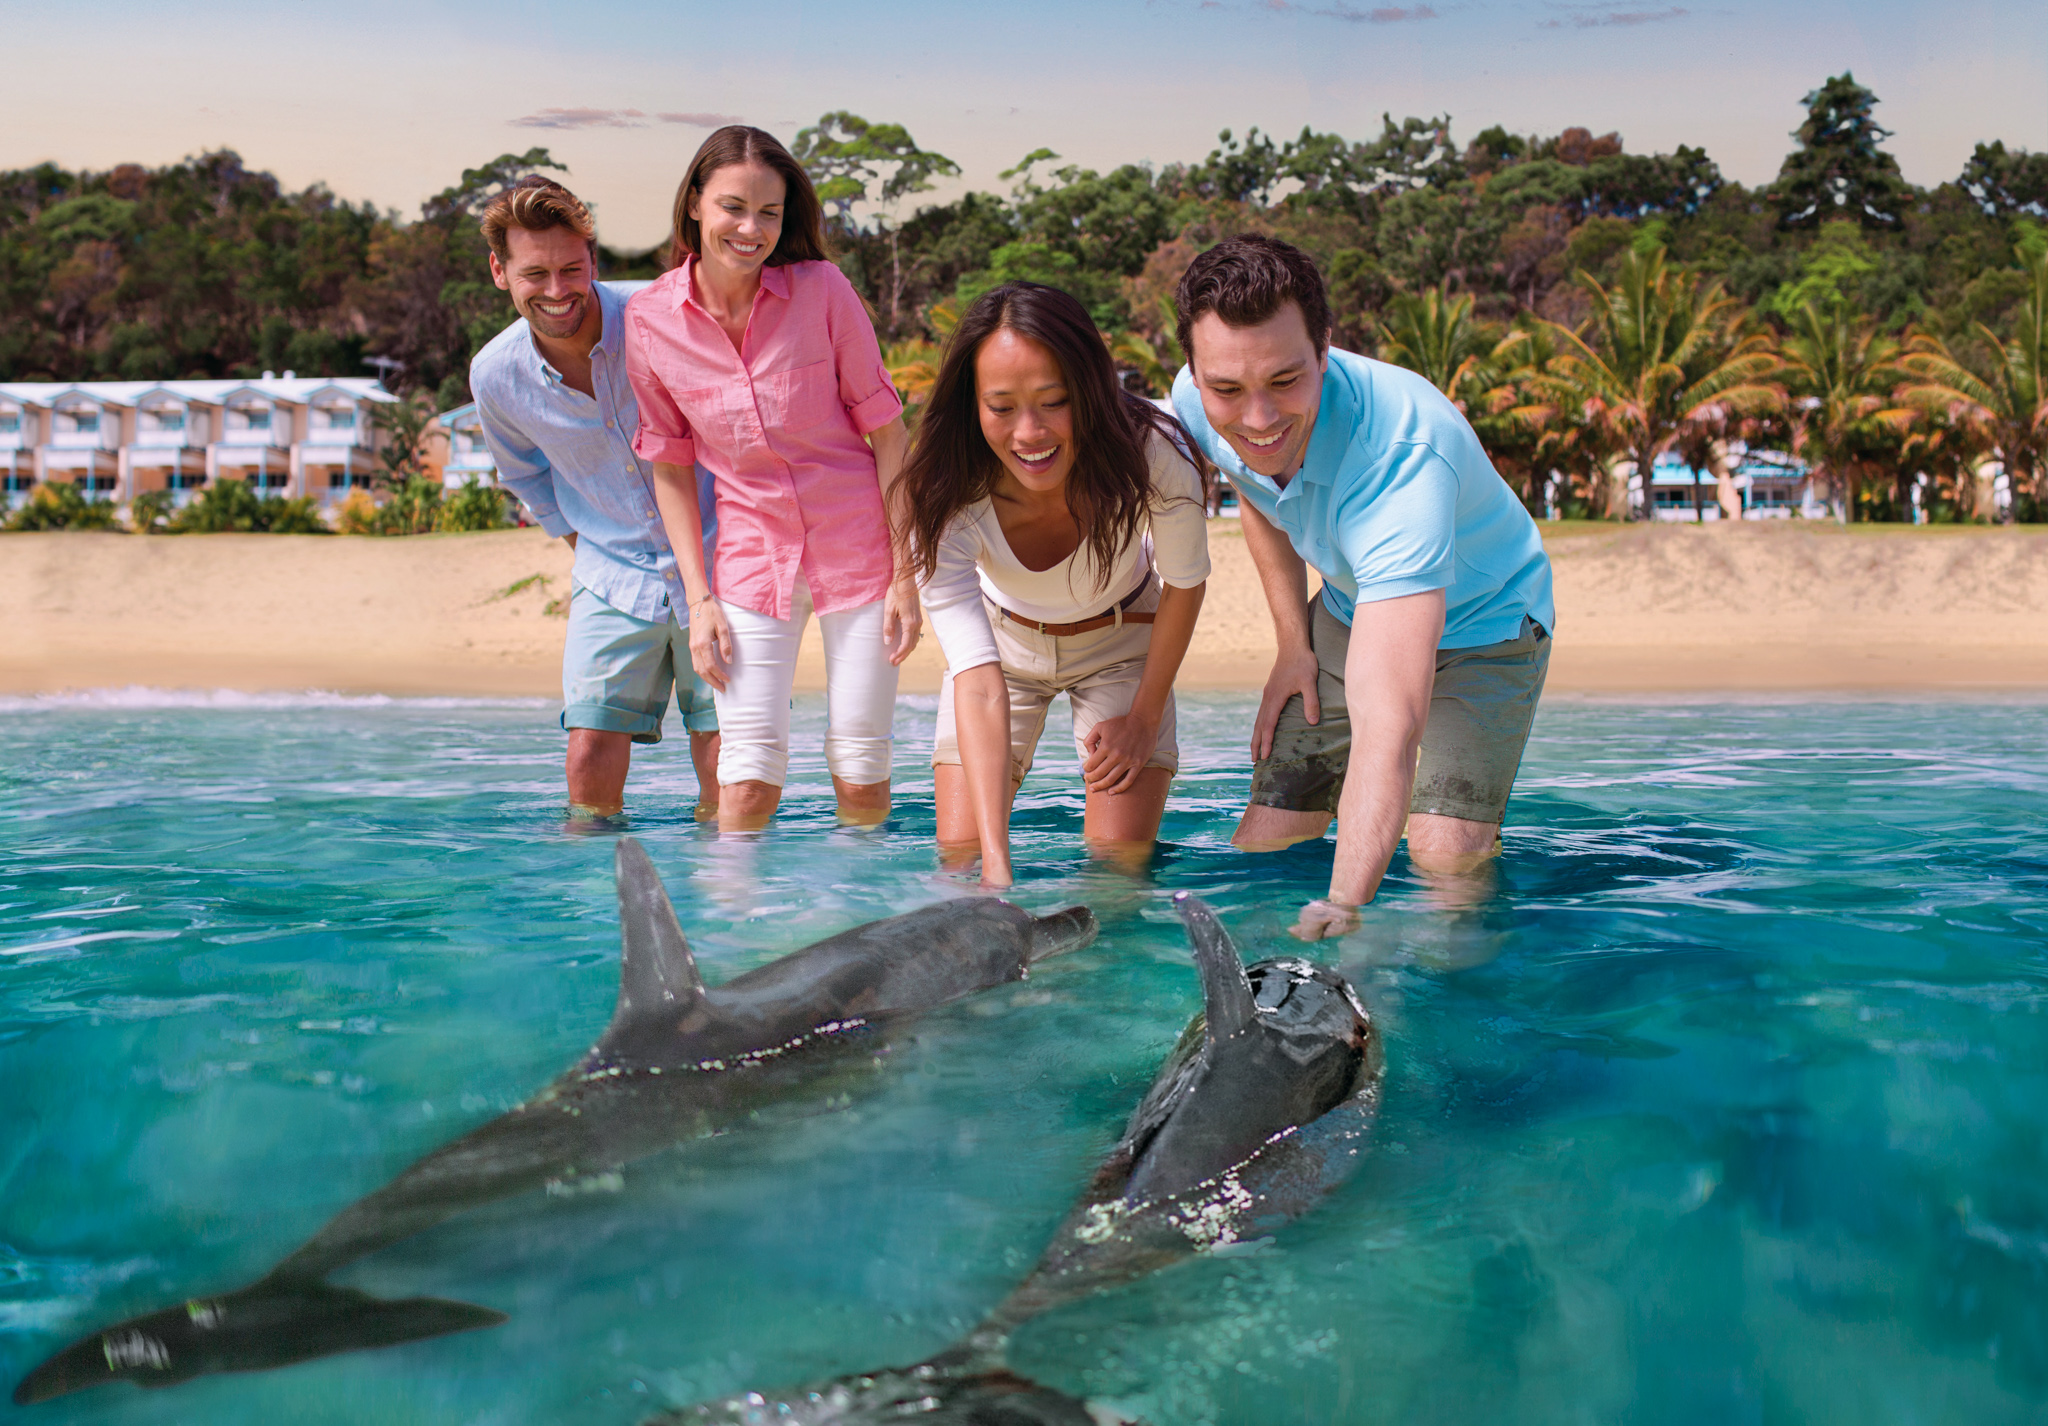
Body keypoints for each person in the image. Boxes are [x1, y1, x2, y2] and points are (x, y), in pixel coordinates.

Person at [1170, 235, 1555, 940]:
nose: (1257, 419)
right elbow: (1257, 496)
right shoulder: (1194, 401)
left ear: (1325, 354)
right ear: (1196, 373)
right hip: (1350, 610)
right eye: (1227, 388)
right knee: (1265, 836)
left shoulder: (1402, 457)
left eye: (1286, 382)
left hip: (1488, 629)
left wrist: (1344, 905)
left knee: (1443, 868)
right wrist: (1293, 644)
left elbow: (1390, 729)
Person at [623, 126, 919, 833]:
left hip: (860, 551)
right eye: (733, 207)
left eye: (770, 213)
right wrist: (699, 603)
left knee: (861, 770)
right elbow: (669, 464)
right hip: (752, 560)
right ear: (695, 203)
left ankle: (861, 926)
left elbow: (888, 433)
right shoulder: (650, 319)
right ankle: (730, 936)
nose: (751, 229)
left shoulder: (823, 290)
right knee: (746, 779)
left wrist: (907, 571)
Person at [904, 282, 1210, 886]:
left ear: (1091, 391)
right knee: (962, 857)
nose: (1030, 433)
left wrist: (1144, 720)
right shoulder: (944, 492)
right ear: (972, 404)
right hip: (1003, 650)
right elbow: (978, 681)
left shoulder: (1154, 451)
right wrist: (997, 866)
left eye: (1054, 400)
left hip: (1125, 640)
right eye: (1001, 407)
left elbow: (1185, 583)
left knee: (1118, 868)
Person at [469, 176, 720, 820]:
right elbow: (524, 475)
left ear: (594, 260)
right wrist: (592, 550)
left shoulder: (663, 320)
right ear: (501, 272)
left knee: (728, 757)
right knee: (586, 757)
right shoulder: (495, 374)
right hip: (610, 577)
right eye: (535, 274)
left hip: (722, 563)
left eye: (570, 269)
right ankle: (595, 910)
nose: (557, 291)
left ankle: (732, 903)